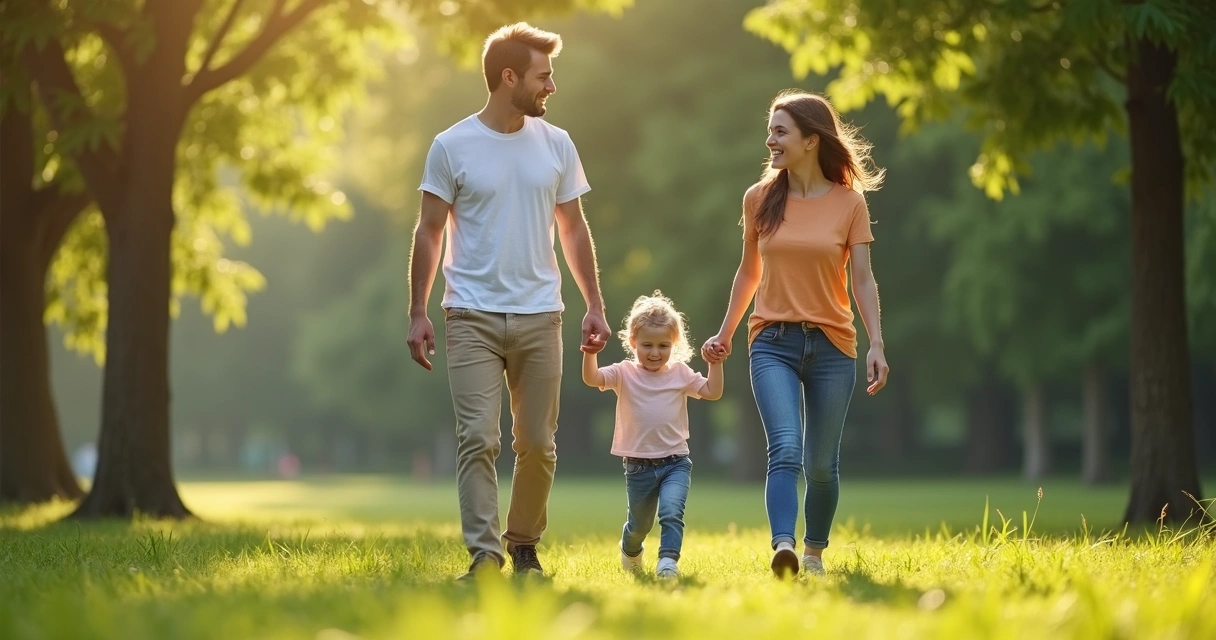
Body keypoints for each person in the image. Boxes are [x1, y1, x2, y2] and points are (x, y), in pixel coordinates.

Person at [407, 22, 610, 581]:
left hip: (541, 315)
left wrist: (594, 303)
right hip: (470, 314)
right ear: (508, 77)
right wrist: (418, 311)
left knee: (539, 445)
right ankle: (484, 556)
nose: (552, 86)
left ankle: (523, 545)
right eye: (544, 76)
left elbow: (573, 227)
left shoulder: (557, 144)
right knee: (478, 439)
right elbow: (429, 230)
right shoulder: (451, 146)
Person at [702, 90, 889, 578]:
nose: (770, 141)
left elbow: (863, 279)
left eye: (780, 131)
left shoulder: (850, 203)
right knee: (784, 447)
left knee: (822, 466)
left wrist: (878, 344)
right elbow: (748, 273)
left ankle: (814, 553)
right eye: (770, 131)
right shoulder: (759, 198)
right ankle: (783, 546)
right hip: (772, 342)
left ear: (811, 140)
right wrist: (724, 334)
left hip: (832, 345)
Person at [583, 291, 724, 579]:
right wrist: (591, 353)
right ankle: (630, 549)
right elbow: (593, 378)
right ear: (633, 341)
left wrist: (716, 364)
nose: (655, 352)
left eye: (663, 345)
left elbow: (712, 391)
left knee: (672, 512)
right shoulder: (624, 372)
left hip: (675, 461)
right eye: (647, 345)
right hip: (638, 465)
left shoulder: (680, 373)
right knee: (639, 526)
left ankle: (667, 562)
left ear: (674, 344)